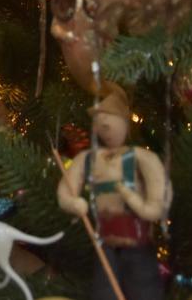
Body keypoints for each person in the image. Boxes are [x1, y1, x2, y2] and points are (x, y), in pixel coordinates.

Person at [57, 84, 168, 300]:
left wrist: (136, 201)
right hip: (105, 244)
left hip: (137, 243)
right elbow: (65, 192)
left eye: (109, 118)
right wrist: (73, 203)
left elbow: (156, 206)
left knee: (144, 290)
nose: (104, 126)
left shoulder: (142, 158)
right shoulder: (87, 159)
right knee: (104, 292)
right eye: (100, 121)